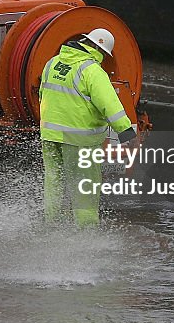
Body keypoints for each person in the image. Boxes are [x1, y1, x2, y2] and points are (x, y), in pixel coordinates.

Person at [39, 28, 137, 226]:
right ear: (96, 48)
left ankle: (52, 227)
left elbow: (42, 95)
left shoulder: (53, 63)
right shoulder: (91, 71)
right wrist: (128, 135)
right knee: (85, 187)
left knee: (53, 183)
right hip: (80, 141)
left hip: (49, 135)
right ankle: (87, 233)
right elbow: (112, 107)